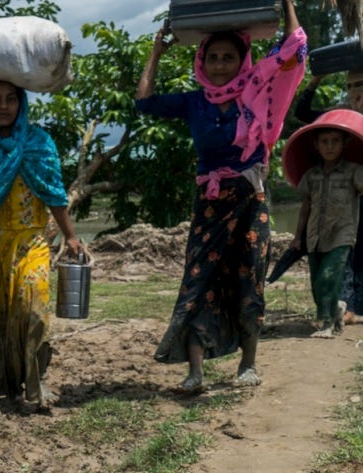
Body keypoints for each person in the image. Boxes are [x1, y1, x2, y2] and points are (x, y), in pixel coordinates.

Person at [135, 0, 307, 393]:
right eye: (212, 57)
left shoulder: (259, 88)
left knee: (250, 279)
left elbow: (295, 50)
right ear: (201, 60)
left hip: (249, 200)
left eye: (228, 57)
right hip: (209, 206)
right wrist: (156, 53)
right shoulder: (195, 102)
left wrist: (287, 4)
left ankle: (248, 364)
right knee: (199, 281)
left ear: (243, 58)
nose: (219, 65)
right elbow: (144, 102)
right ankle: (195, 372)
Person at [0, 79, 81, 412]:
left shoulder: (38, 142)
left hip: (32, 239)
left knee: (31, 308)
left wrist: (71, 235)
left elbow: (55, 194)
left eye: (11, 99)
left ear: (22, 104)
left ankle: (36, 383)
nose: (3, 107)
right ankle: (8, 387)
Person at [295, 72, 363, 327]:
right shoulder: (340, 117)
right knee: (344, 254)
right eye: (350, 85)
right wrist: (314, 81)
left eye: (361, 84)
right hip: (340, 196)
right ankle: (344, 306)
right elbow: (303, 113)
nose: (355, 90)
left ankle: (355, 308)